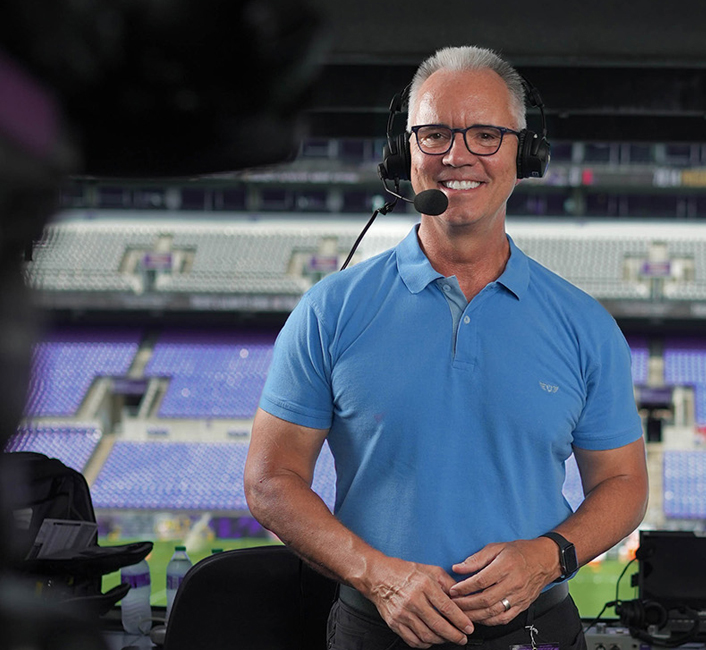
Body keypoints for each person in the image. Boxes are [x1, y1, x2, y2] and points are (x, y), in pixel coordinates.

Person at [245, 45, 648, 650]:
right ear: (403, 150)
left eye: (486, 134)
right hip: (373, 627)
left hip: (537, 629)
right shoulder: (329, 310)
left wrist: (549, 555)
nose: (457, 156)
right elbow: (271, 480)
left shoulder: (584, 324)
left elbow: (623, 483)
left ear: (524, 152)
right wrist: (377, 577)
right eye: (434, 134)